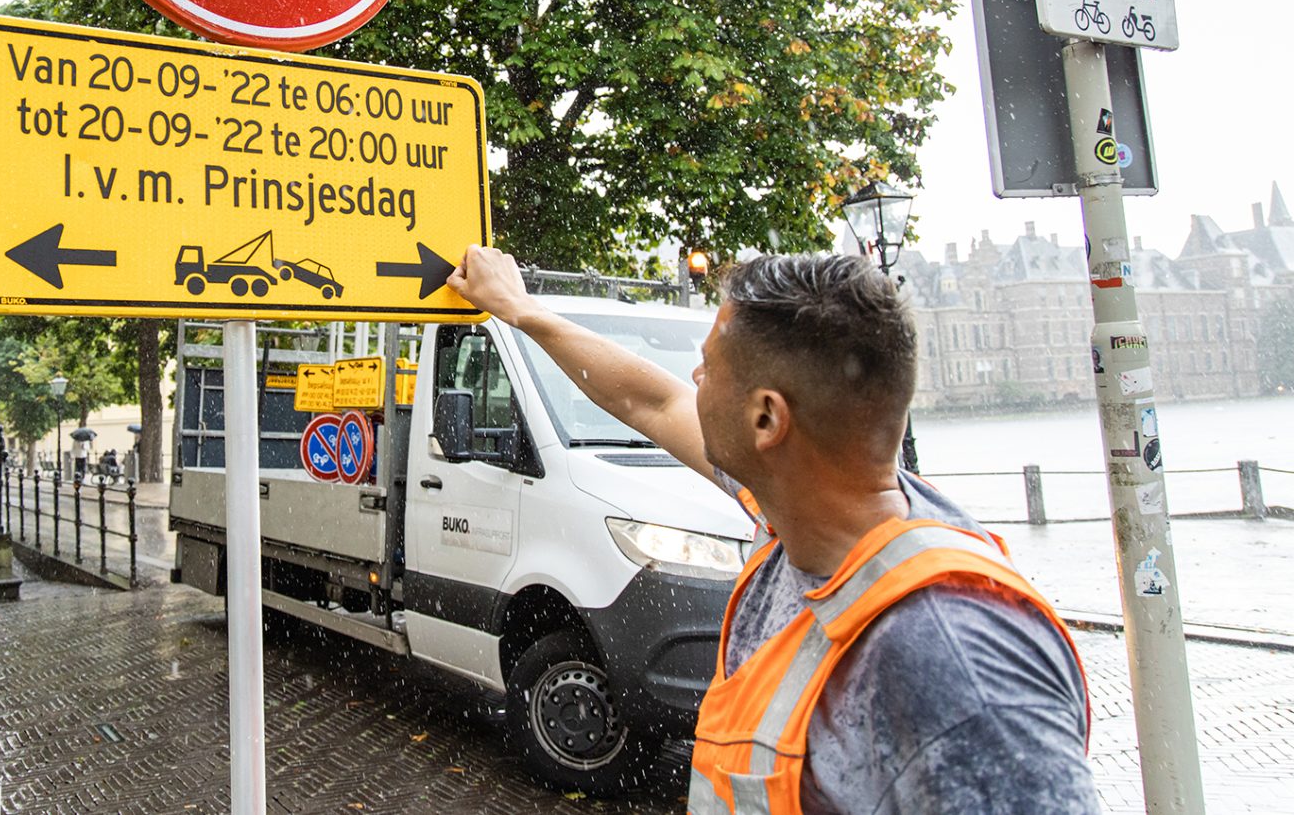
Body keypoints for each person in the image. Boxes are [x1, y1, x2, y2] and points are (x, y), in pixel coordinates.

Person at [447, 245, 1098, 815]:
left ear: (766, 419)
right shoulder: (798, 508)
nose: (691, 381)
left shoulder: (959, 665)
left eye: (707, 365)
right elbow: (649, 400)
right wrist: (522, 311)